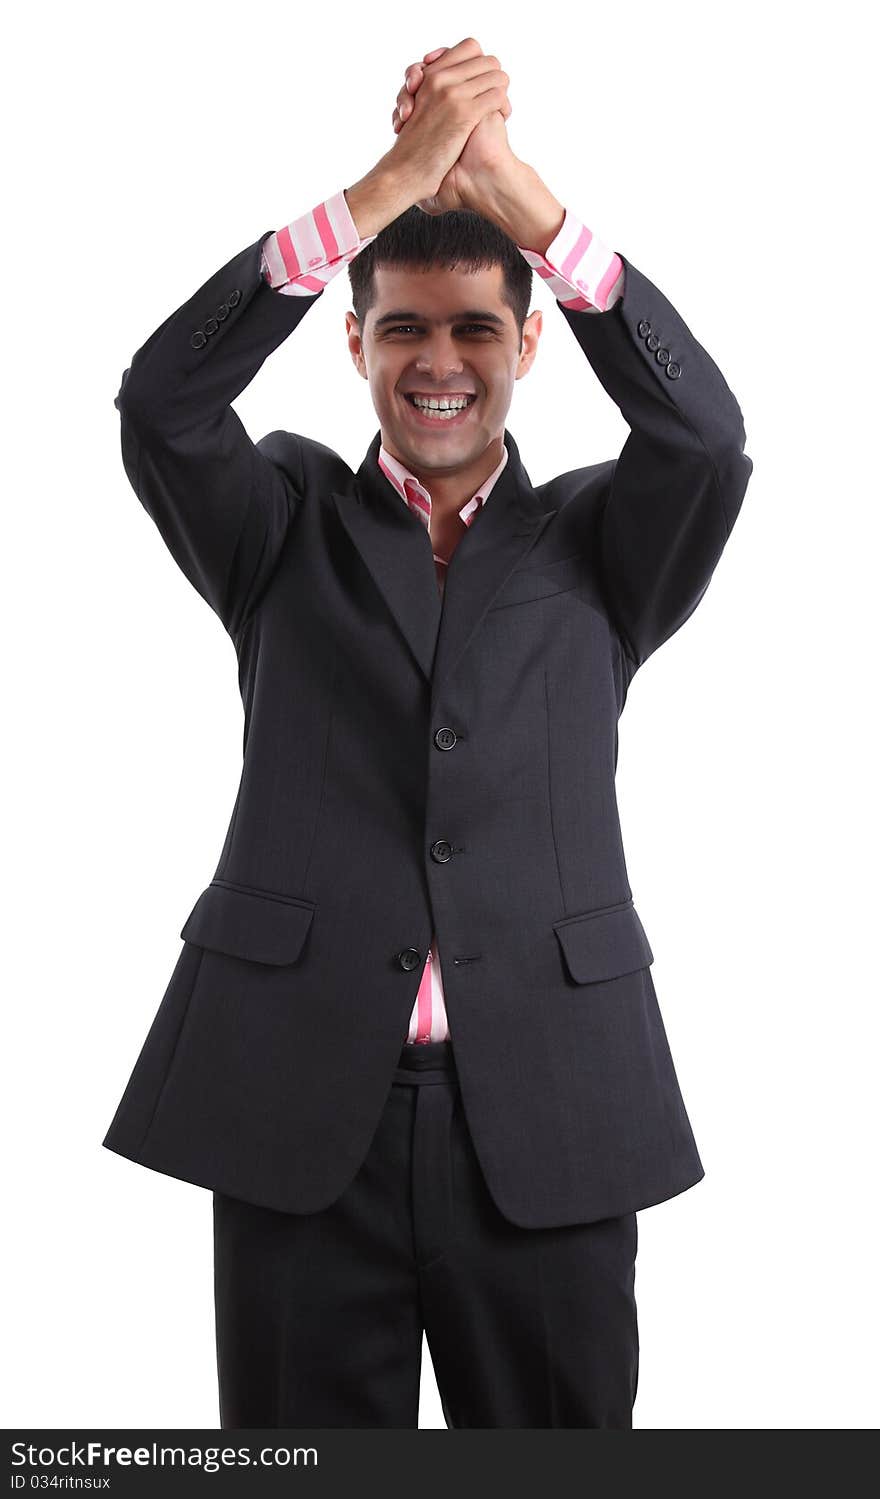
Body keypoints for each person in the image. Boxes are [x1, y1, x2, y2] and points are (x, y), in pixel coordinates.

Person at [102, 38, 753, 1428]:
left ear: (528, 340)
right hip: (298, 1113)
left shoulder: (601, 545)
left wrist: (522, 199)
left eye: (473, 326)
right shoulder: (279, 522)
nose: (437, 361)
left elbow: (704, 436)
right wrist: (381, 190)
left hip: (551, 1113)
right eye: (402, 327)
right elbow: (164, 400)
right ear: (355, 344)